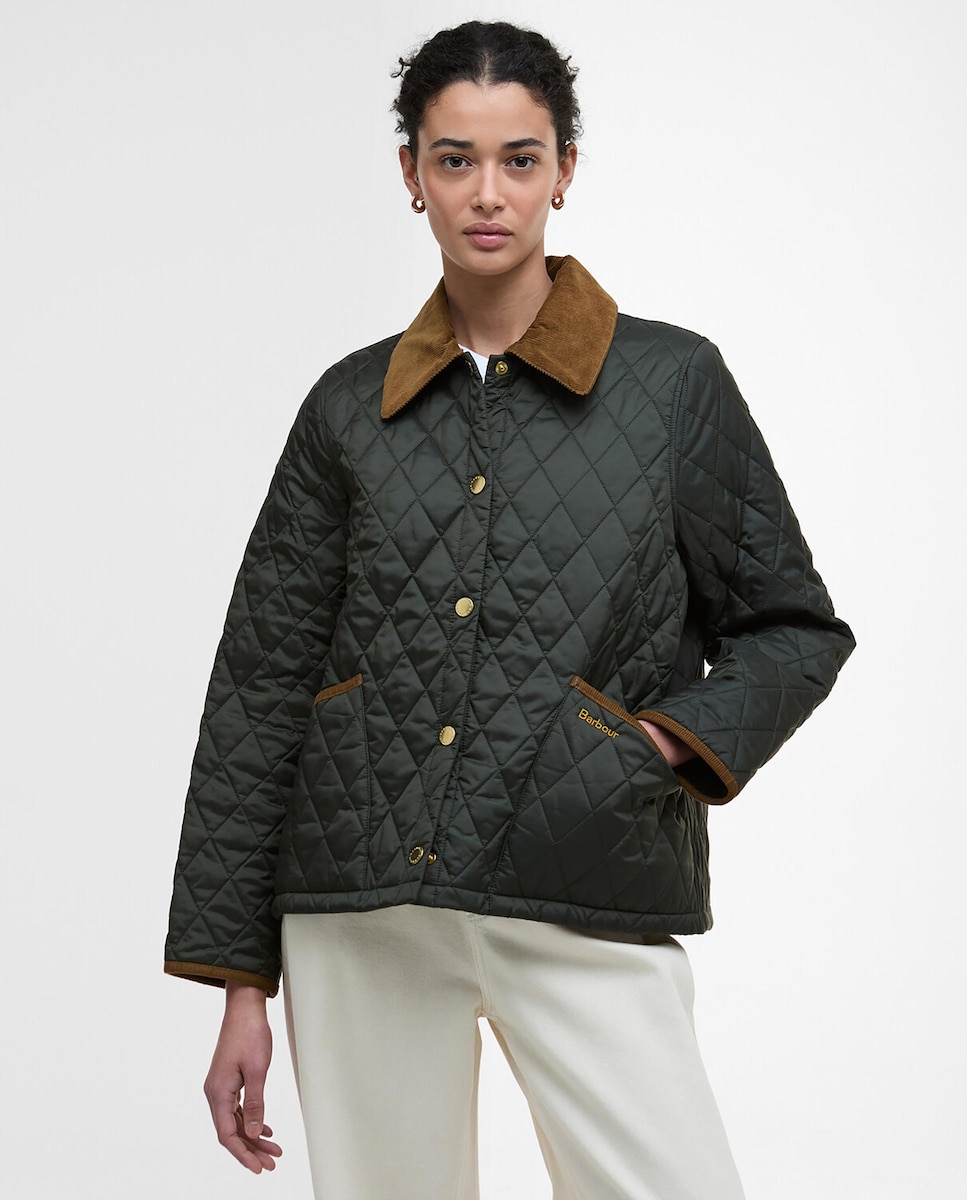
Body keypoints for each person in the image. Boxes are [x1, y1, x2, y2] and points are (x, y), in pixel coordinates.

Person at [165, 20, 854, 1200]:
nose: (488, 193)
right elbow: (262, 683)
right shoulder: (347, 408)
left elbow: (793, 628)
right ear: (411, 174)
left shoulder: (669, 384)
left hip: (581, 874)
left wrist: (645, 749)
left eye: (519, 159)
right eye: (455, 159)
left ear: (564, 170)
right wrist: (240, 980)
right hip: (359, 903)